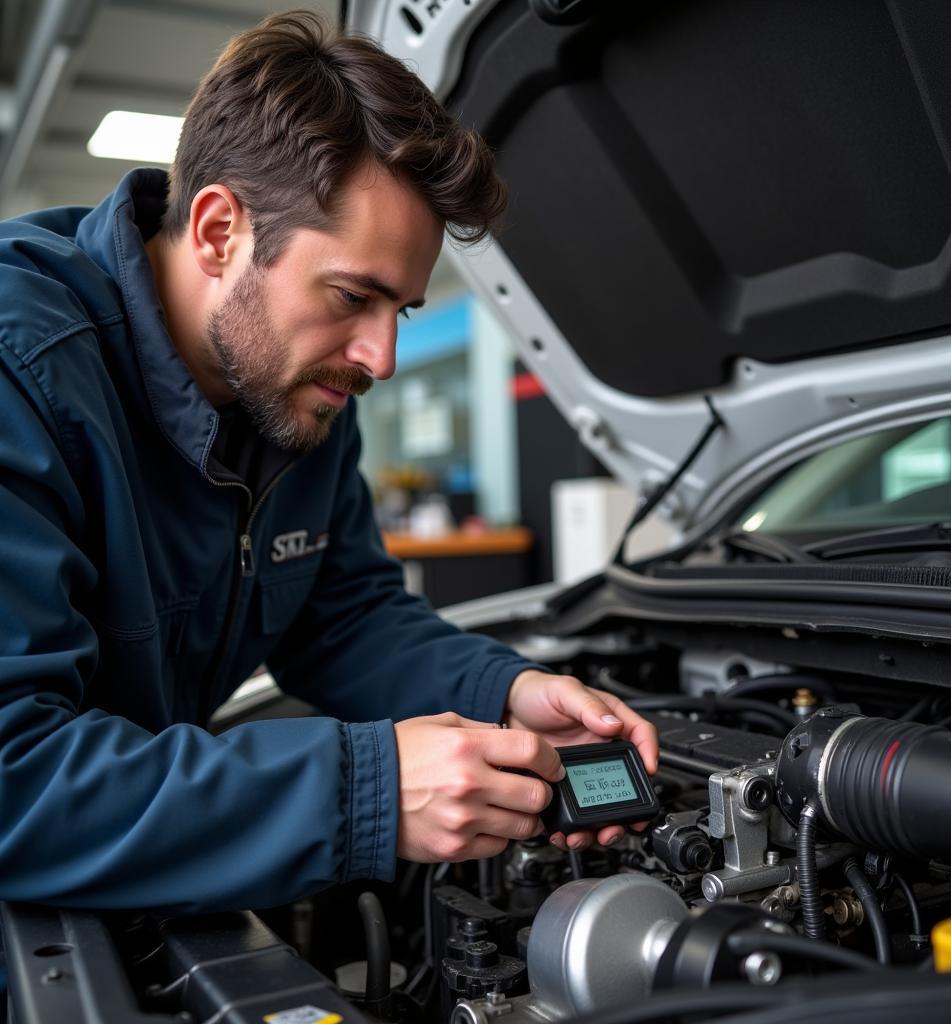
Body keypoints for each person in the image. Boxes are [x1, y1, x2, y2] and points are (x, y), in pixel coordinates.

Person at [0, 10, 657, 916]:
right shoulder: (20, 374)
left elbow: (341, 616)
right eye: (354, 296)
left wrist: (502, 689)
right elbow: (13, 775)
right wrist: (365, 792)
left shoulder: (293, 389)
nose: (381, 358)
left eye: (405, 312)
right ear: (220, 229)